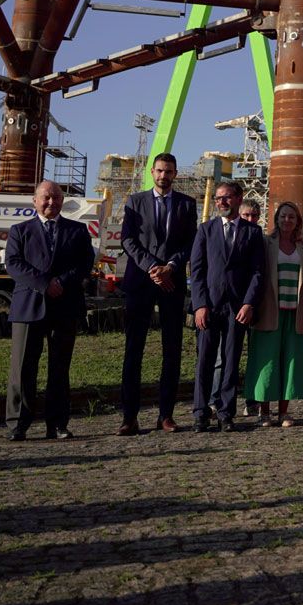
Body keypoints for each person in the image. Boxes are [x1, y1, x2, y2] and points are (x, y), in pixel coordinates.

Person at [4, 180, 95, 441]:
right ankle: (17, 424)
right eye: (45, 198)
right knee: (22, 369)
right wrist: (45, 284)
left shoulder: (77, 231)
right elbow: (13, 264)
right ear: (35, 201)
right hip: (29, 307)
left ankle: (57, 424)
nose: (51, 202)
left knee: (59, 369)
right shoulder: (20, 231)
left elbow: (84, 263)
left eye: (55, 197)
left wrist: (61, 283)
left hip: (65, 306)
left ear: (62, 201)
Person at [117, 153, 198, 435]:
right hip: (141, 282)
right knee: (133, 350)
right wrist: (152, 266)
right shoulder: (135, 202)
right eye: (160, 171)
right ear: (152, 172)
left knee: (172, 349)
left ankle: (166, 415)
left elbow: (190, 242)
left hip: (172, 284)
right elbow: (127, 239)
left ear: (176, 174)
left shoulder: (187, 204)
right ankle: (129, 417)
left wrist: (171, 266)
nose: (164, 176)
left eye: (169, 171)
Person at [189, 179, 264, 432]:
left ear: (238, 198)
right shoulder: (206, 230)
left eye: (226, 197)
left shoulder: (252, 232)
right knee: (205, 361)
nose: (221, 201)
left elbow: (257, 272)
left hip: (237, 307)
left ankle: (225, 412)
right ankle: (200, 412)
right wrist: (199, 305)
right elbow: (197, 271)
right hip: (209, 306)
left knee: (231, 361)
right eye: (218, 198)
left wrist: (248, 303)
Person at [244, 200, 303, 427]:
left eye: (291, 217)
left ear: (297, 221)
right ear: (276, 219)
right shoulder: (266, 243)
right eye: (283, 216)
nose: (287, 220)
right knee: (267, 361)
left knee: (290, 361)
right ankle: (265, 411)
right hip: (269, 311)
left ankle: (284, 412)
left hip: (295, 311)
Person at [215, 198, 263, 418]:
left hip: (253, 305)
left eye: (254, 216)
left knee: (254, 356)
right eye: (246, 215)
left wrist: (251, 302)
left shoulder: (259, 237)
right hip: (228, 304)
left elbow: (259, 271)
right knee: (222, 357)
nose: (251, 219)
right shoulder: (223, 234)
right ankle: (216, 400)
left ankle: (252, 400)